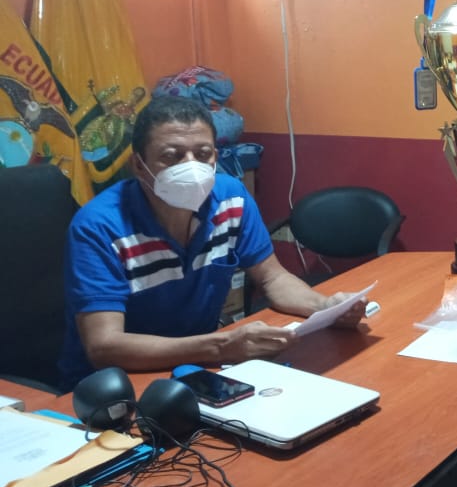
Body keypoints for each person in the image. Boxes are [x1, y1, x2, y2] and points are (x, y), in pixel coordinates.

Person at [58, 96, 368, 392]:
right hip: (113, 388)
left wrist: (324, 308)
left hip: (197, 367)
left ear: (216, 158)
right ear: (139, 165)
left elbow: (272, 278)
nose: (191, 166)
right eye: (172, 156)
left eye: (203, 153)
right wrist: (221, 347)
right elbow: (104, 347)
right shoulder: (99, 226)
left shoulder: (231, 197)